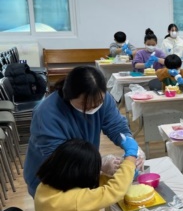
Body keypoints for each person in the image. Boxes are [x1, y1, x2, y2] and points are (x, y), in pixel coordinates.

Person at [24, 66, 140, 198]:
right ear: (69, 95)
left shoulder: (102, 98)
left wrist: (130, 143)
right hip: (50, 179)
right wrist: (98, 164)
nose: (93, 106)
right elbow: (60, 161)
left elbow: (116, 125)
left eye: (98, 102)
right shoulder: (46, 114)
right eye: (85, 103)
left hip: (82, 172)